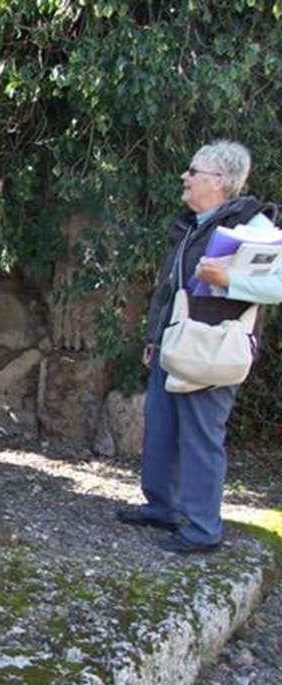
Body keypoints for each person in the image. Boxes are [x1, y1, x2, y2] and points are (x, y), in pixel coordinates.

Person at [116, 140, 276, 553]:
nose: (184, 178)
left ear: (219, 182)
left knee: (202, 437)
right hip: (176, 343)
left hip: (212, 352)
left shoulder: (252, 227)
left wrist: (232, 282)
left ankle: (204, 530)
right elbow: (169, 290)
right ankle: (162, 508)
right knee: (162, 427)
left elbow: (277, 284)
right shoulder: (194, 224)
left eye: (193, 171)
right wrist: (154, 339)